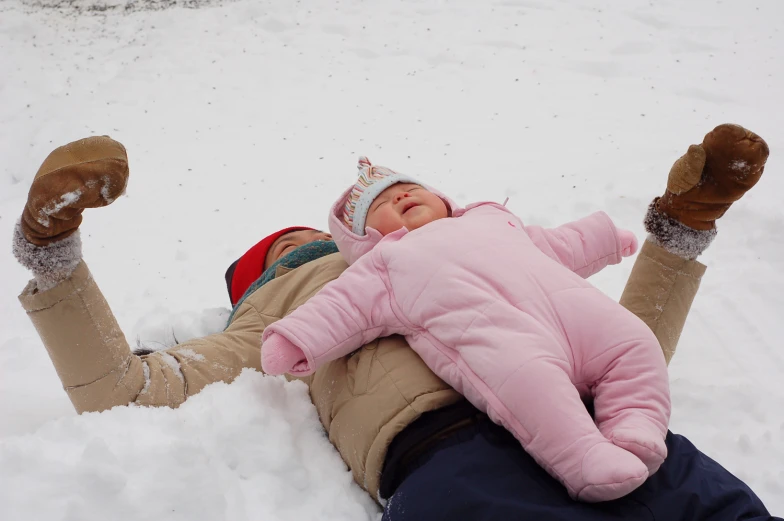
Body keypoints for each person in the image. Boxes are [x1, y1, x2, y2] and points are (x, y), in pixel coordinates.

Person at [11, 125, 777, 520]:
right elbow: (126, 388)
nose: (302, 249)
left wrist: (677, 228)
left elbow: (616, 340)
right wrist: (56, 258)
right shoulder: (280, 314)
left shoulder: (485, 243)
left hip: (578, 416)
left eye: (305, 240)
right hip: (446, 457)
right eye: (282, 254)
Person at [260, 157, 670, 502]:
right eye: (380, 202)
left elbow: (556, 244)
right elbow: (343, 304)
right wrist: (296, 337)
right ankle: (583, 457)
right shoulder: (387, 262)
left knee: (634, 343)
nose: (400, 195)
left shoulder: (493, 219)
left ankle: (635, 425)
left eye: (407, 188)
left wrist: (603, 238)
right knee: (529, 388)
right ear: (363, 237)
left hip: (579, 315)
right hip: (507, 343)